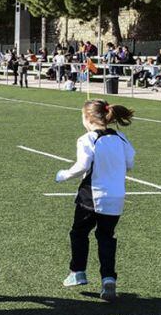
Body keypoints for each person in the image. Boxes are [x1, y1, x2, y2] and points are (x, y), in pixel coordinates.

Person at [54, 100, 135, 300]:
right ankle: (109, 279)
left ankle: (77, 272)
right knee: (106, 236)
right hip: (116, 198)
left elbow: (82, 165)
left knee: (79, 232)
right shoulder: (121, 138)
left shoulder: (87, 139)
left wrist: (63, 175)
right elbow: (130, 163)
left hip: (92, 195)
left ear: (88, 118)